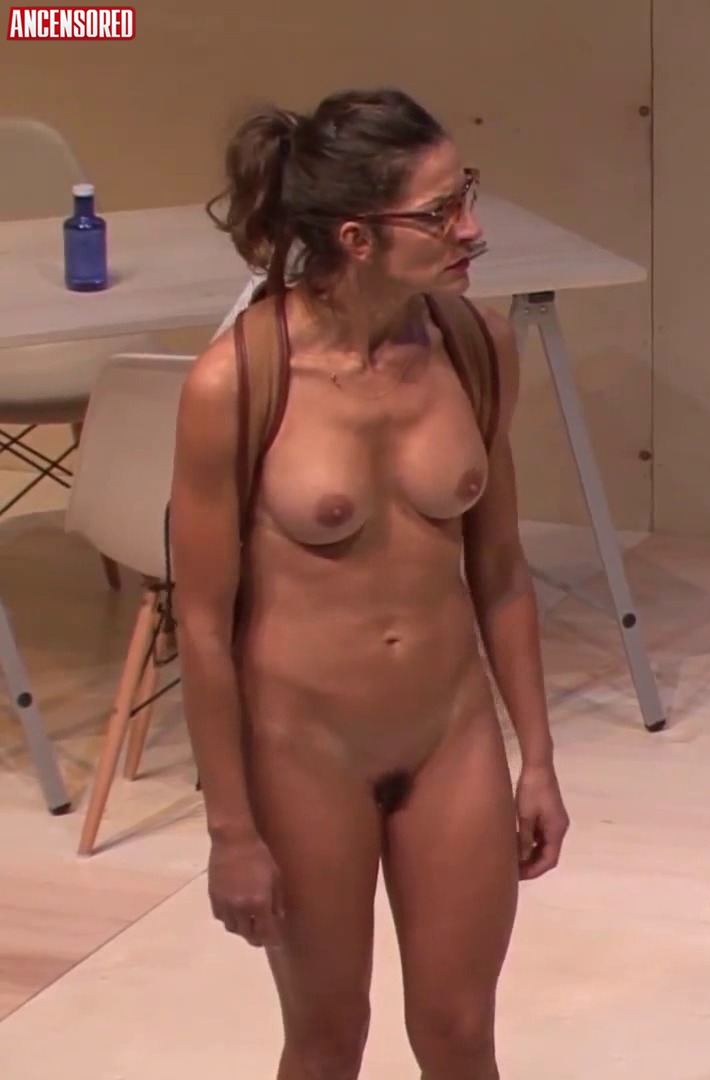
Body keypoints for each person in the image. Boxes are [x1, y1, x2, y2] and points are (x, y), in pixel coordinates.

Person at [169, 87, 568, 1079]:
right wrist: (230, 830)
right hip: (304, 753)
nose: (471, 228)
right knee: (327, 1038)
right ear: (356, 237)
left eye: (466, 193)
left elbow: (500, 569)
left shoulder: (477, 348)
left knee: (460, 1034)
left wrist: (538, 758)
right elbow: (203, 625)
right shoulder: (238, 382)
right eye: (440, 211)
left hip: (450, 737)